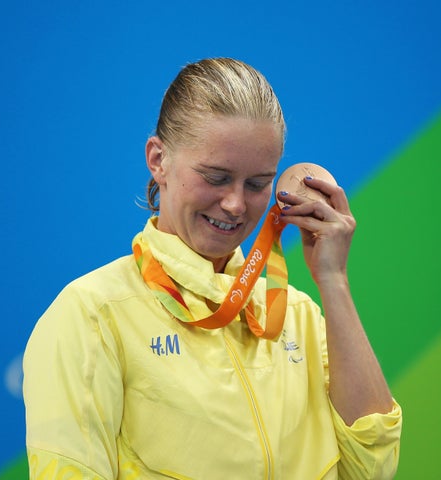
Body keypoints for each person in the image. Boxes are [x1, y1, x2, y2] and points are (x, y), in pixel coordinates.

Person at [23, 57, 402, 480]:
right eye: (216, 177)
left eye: (257, 184)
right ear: (158, 159)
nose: (236, 205)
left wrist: (333, 282)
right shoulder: (93, 315)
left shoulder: (298, 316)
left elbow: (374, 469)